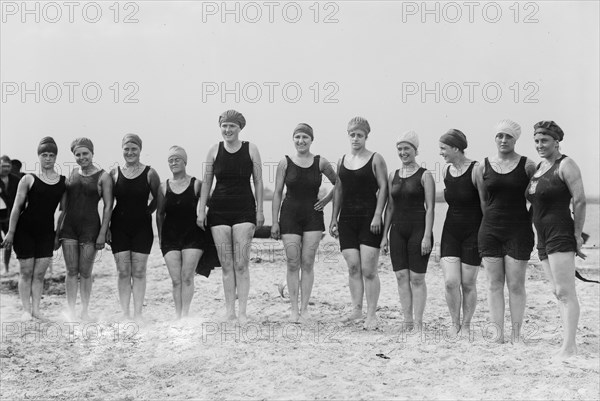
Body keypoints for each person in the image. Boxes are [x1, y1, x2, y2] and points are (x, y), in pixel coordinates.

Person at [197, 110, 264, 324]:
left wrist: (260, 210)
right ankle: (230, 312)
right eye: (224, 126)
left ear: (240, 127)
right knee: (226, 265)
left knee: (241, 264)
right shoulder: (213, 150)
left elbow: (259, 182)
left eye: (232, 126)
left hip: (244, 209)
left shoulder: (251, 149)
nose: (228, 130)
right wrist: (201, 210)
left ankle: (243, 312)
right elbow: (206, 182)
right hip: (218, 211)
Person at [526, 121, 586, 359]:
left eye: (545, 141)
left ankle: (570, 346)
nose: (540, 145)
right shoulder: (539, 168)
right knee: (556, 291)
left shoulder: (566, 164)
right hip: (542, 236)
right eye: (537, 141)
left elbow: (580, 200)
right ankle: (567, 342)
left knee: (565, 290)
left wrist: (578, 235)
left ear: (556, 142)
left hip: (560, 232)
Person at [475, 119, 537, 344]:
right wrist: (491, 221)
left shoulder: (528, 165)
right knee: (493, 283)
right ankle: (497, 333)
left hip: (518, 230)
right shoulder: (482, 166)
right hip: (490, 230)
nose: (503, 140)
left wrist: (525, 222)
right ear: (495, 138)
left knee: (516, 284)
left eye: (508, 136)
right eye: (500, 136)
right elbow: (483, 200)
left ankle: (517, 334)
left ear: (515, 139)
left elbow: (535, 199)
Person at [271, 123, 337, 322]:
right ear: (293, 139)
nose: (301, 141)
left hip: (313, 216)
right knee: (292, 263)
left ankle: (305, 309)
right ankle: (293, 310)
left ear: (311, 140)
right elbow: (276, 193)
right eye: (297, 137)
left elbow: (340, 182)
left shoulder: (321, 162)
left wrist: (326, 200)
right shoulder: (285, 163)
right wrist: (274, 222)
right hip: (289, 214)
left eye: (305, 137)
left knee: (307, 263)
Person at [329, 117, 388, 330]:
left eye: (360, 135)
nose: (355, 138)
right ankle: (356, 309)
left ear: (366, 136)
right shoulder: (342, 160)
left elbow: (384, 188)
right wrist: (334, 217)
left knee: (369, 269)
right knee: (353, 266)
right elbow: (339, 190)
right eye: (352, 134)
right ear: (348, 135)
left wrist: (377, 214)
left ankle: (372, 314)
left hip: (369, 219)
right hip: (347, 219)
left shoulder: (375, 159)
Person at [1, 137, 66, 320]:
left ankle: (36, 309)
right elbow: (16, 207)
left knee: (39, 274)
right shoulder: (28, 179)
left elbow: (64, 211)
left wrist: (58, 234)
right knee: (26, 271)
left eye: (51, 155)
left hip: (46, 232)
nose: (47, 158)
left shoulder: (62, 182)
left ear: (55, 157)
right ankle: (26, 310)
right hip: (25, 231)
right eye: (44, 154)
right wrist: (11, 233)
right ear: (39, 156)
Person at [381, 131, 435, 332]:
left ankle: (419, 323)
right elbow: (390, 207)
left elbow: (430, 207)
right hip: (397, 231)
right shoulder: (392, 175)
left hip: (419, 230)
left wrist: (427, 235)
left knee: (417, 278)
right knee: (401, 277)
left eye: (407, 149)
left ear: (416, 150)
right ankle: (407, 321)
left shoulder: (425, 175)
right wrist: (384, 236)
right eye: (400, 149)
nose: (403, 153)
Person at [57, 138, 113, 320]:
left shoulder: (103, 176)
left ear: (92, 153)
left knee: (86, 272)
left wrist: (103, 233)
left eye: (85, 154)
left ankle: (85, 311)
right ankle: (71, 311)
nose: (82, 157)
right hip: (69, 228)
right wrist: (57, 231)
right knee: (71, 271)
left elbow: (108, 206)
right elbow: (63, 207)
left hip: (91, 228)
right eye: (78, 154)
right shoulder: (72, 174)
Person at [109, 134, 160, 321]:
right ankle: (125, 313)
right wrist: (106, 227)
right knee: (123, 272)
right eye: (126, 149)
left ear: (140, 150)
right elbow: (107, 203)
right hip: (119, 226)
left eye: (134, 149)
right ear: (122, 150)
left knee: (139, 272)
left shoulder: (150, 173)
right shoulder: (114, 174)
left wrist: (148, 211)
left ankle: (138, 313)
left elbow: (158, 199)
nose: (130, 152)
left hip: (142, 228)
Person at [438, 129, 483, 337]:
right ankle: (454, 322)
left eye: (443, 148)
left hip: (473, 232)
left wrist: (485, 235)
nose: (441, 153)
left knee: (467, 283)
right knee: (450, 282)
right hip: (451, 231)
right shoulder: (446, 171)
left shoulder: (476, 169)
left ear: (456, 148)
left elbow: (485, 204)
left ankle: (466, 325)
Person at [157, 146, 206, 319]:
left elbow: (210, 203)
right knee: (176, 279)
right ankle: (178, 315)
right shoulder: (163, 186)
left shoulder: (197, 184)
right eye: (170, 160)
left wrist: (203, 216)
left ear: (185, 161)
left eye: (177, 159)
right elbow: (160, 214)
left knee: (187, 276)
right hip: (170, 237)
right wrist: (161, 238)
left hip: (193, 236)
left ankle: (185, 314)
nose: (174, 162)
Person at [0, 155, 21, 272]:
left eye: (8, 166)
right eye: (3, 166)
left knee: (9, 242)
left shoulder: (16, 180)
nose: (6, 169)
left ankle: (7, 267)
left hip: (11, 215)